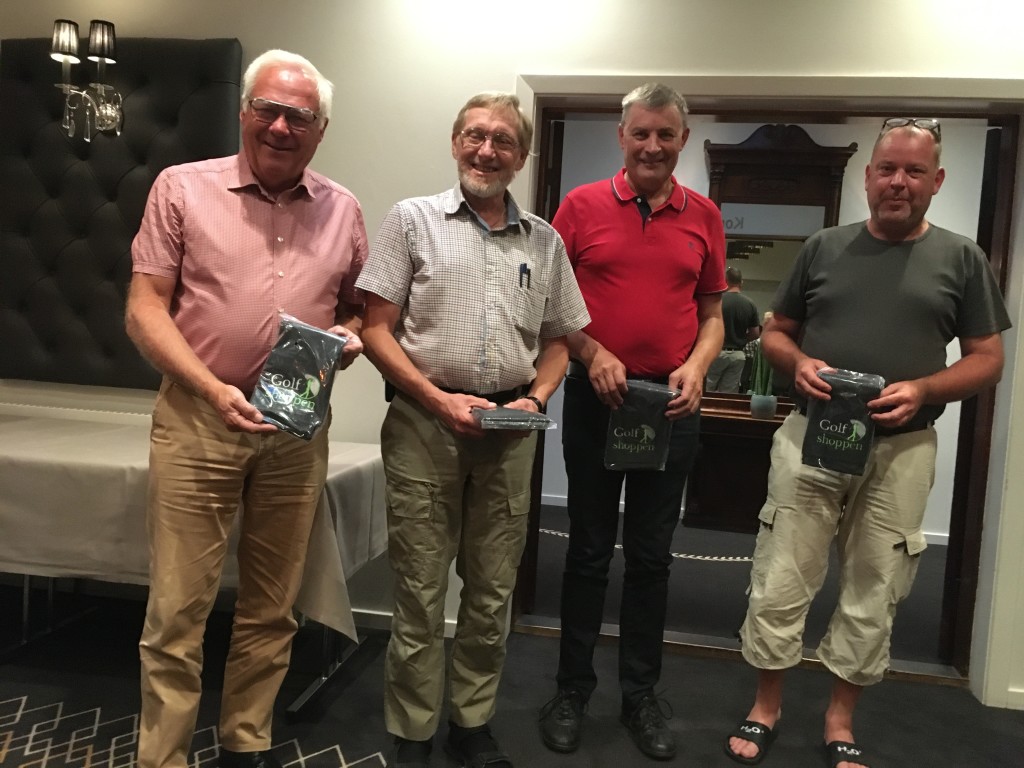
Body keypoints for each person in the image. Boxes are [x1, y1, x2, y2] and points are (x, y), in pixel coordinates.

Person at [724, 118, 1011, 768]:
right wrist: (797, 362)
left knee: (876, 587)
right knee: (780, 577)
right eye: (888, 169)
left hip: (902, 450)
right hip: (812, 438)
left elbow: (988, 359)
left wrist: (926, 388)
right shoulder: (824, 247)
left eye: (914, 171)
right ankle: (765, 705)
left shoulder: (962, 258)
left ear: (937, 180)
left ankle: (839, 718)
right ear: (868, 176)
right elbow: (777, 331)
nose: (898, 182)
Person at [126, 49, 367, 768]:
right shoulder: (182, 188)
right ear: (244, 112)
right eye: (269, 108)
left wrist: (349, 338)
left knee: (272, 605)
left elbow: (358, 309)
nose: (281, 126)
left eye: (300, 116)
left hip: (296, 429)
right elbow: (144, 309)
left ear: (321, 130)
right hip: (198, 419)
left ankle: (245, 744)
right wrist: (210, 387)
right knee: (177, 611)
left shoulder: (344, 208)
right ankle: (162, 758)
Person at [357, 92, 590, 768]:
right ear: (456, 141)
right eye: (475, 136)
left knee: (491, 594)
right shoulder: (412, 221)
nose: (487, 151)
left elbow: (559, 341)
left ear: (523, 156)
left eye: (503, 141)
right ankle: (412, 732)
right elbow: (375, 329)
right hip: (422, 427)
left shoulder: (544, 240)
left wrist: (536, 398)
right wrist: (436, 400)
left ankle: (471, 723)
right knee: (420, 591)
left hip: (509, 432)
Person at [538, 82, 726, 761]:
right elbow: (551, 307)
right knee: (588, 552)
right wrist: (591, 353)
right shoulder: (579, 207)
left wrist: (698, 366)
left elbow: (713, 314)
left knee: (651, 558)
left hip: (670, 408)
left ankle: (641, 696)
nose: (652, 146)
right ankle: (571, 691)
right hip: (598, 402)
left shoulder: (704, 215)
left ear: (683, 139)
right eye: (640, 133)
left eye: (665, 135)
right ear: (622, 137)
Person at [707, 266, 761, 393]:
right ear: (741, 282)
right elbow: (755, 333)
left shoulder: (718, 301)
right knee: (728, 395)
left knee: (707, 390)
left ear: (725, 281)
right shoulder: (750, 304)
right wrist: (741, 340)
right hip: (738, 355)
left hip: (716, 351)